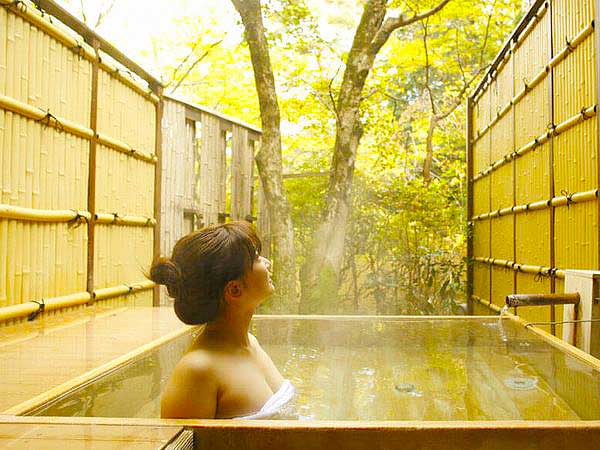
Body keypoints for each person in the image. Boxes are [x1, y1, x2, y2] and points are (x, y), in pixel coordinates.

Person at [149, 221, 294, 419]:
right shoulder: (197, 370)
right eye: (257, 258)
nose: (267, 262)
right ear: (234, 290)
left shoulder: (250, 343)